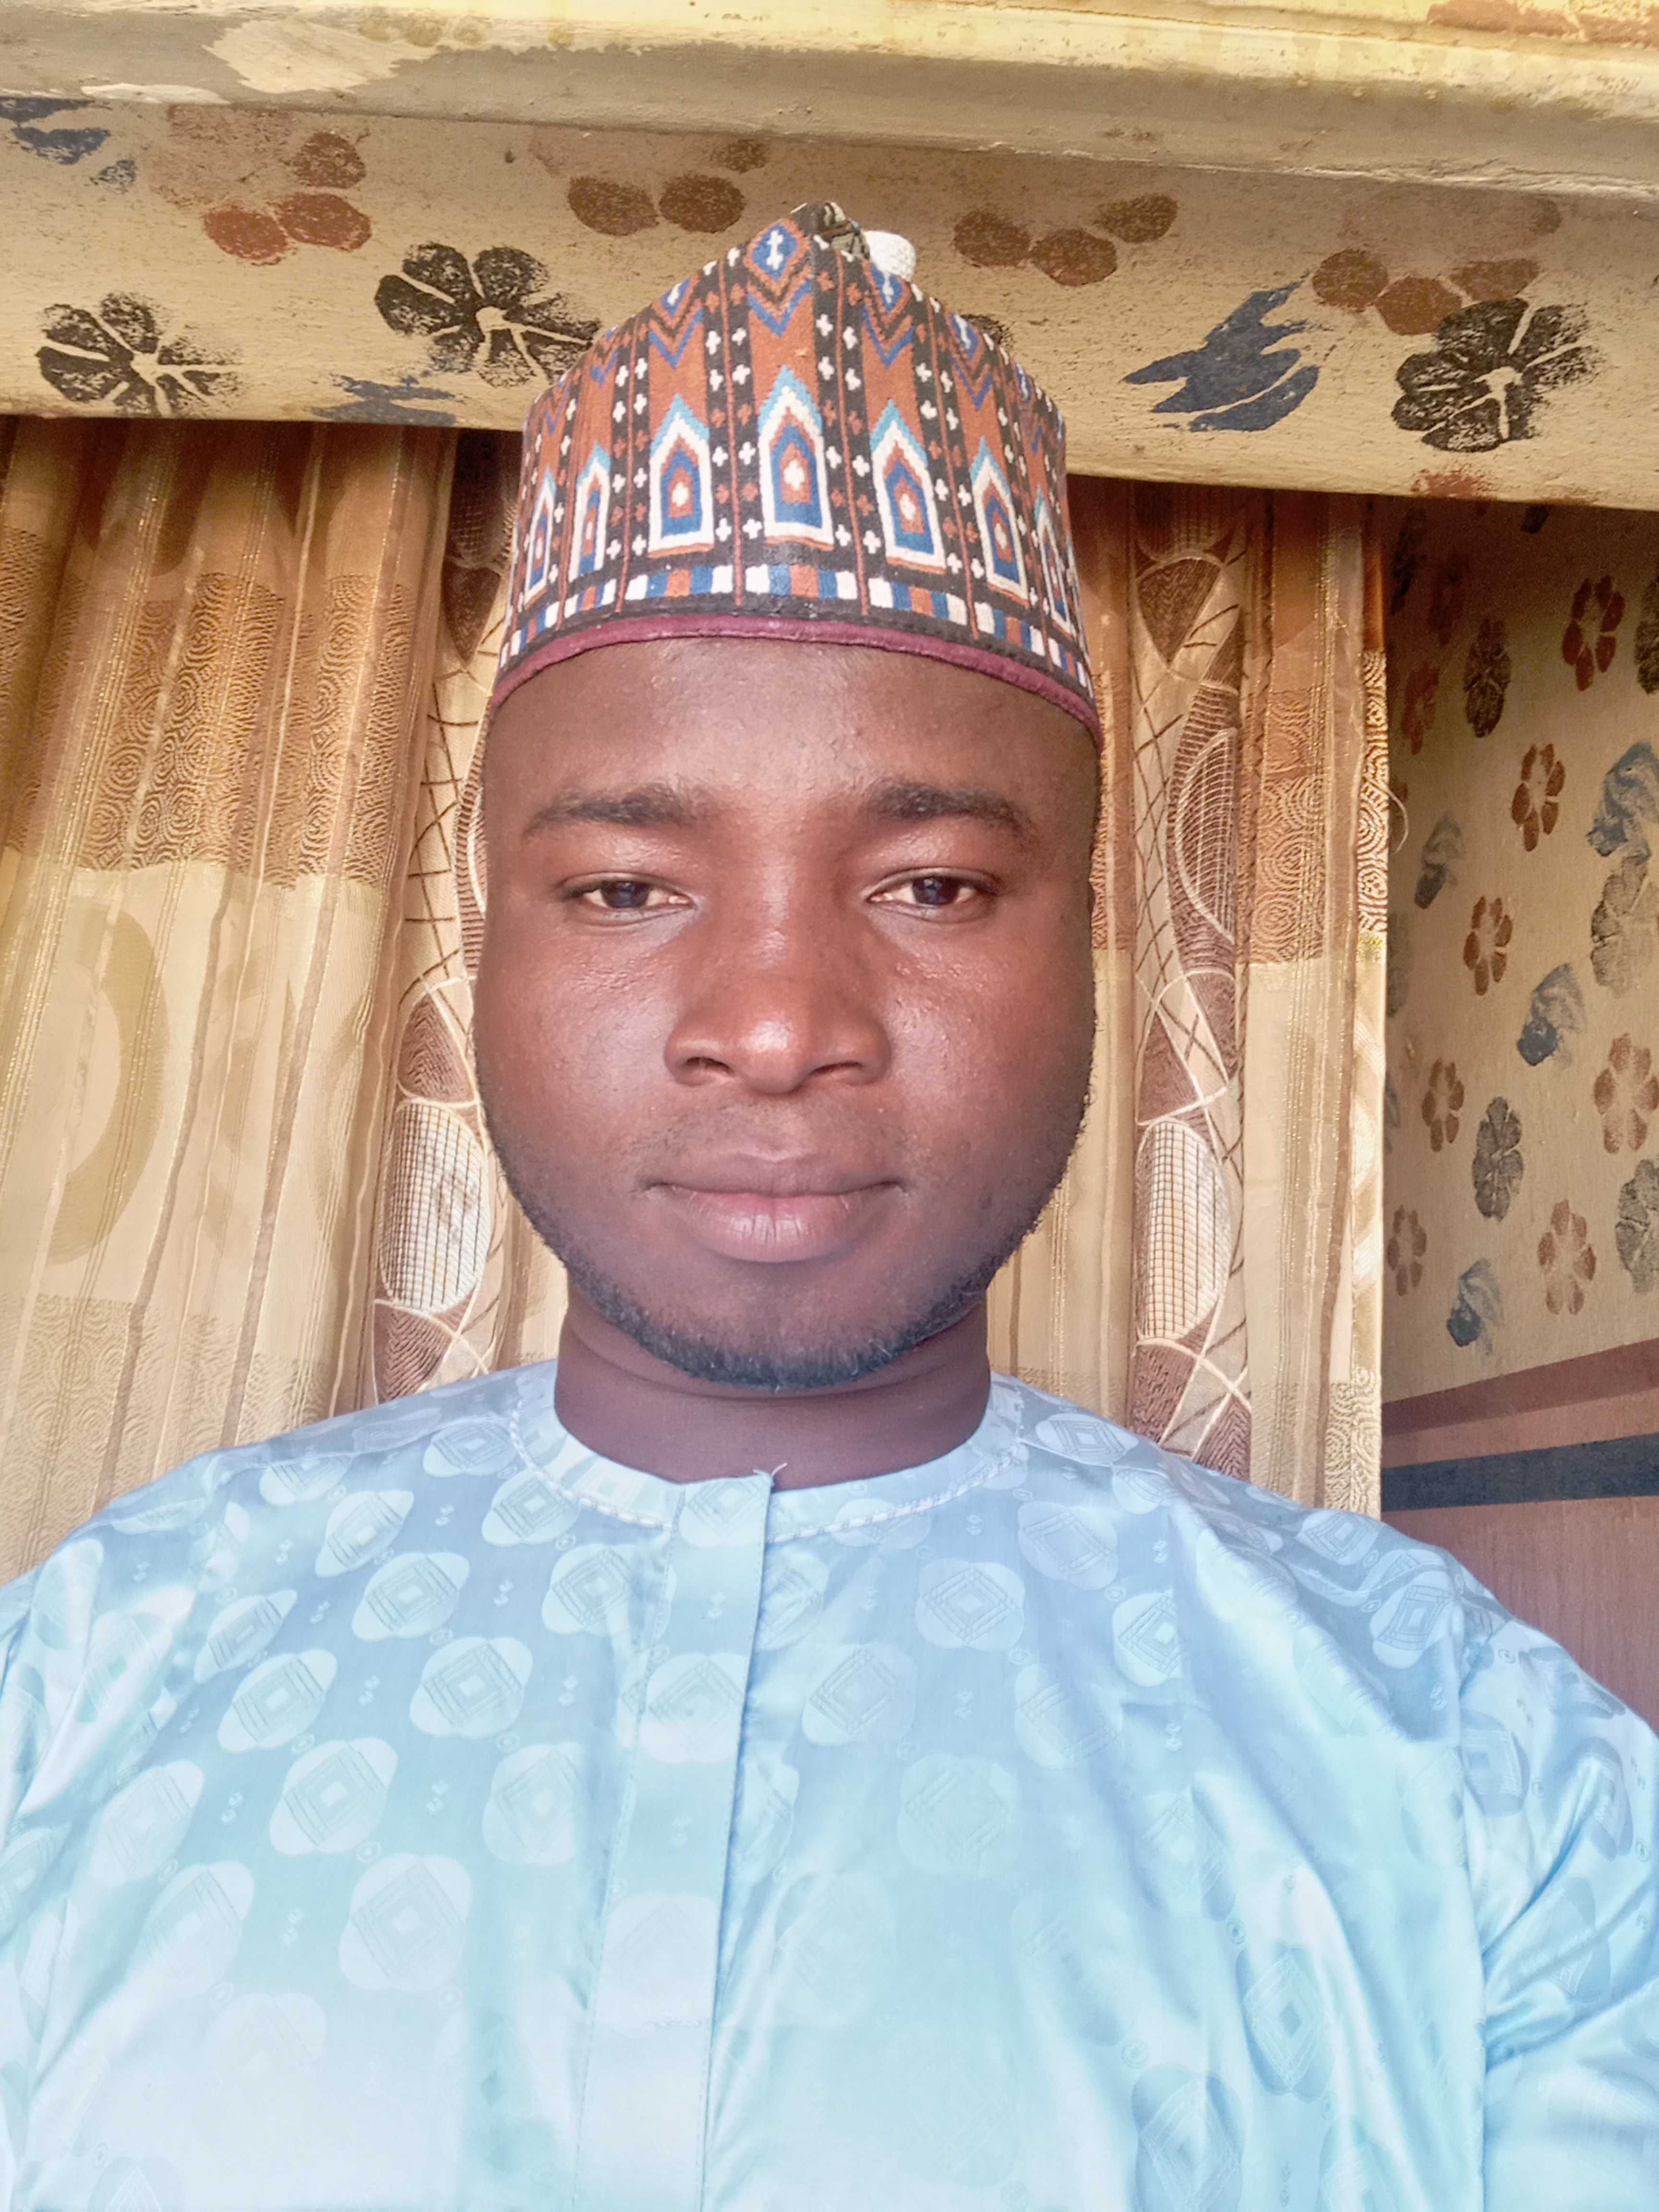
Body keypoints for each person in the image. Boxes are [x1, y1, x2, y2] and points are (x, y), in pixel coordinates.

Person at [0, 205, 1653, 2212]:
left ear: (1098, 953)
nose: (778, 1026)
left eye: (933, 886)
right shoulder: (96, 1665)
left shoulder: (1471, 1770)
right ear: (480, 945)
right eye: (626, 889)